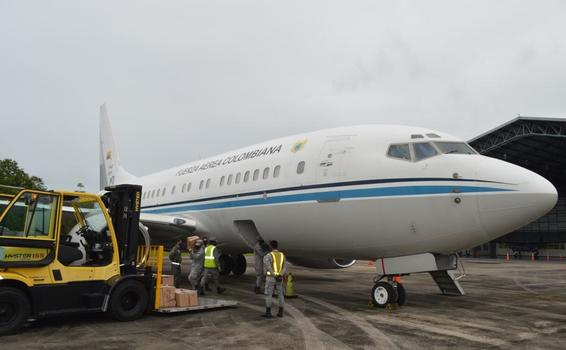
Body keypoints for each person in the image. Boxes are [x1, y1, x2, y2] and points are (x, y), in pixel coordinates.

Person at [263, 240, 287, 318]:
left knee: (269, 295)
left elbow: (268, 267)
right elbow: (284, 267)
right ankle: (280, 312)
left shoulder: (269, 255)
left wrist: (274, 275)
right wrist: (280, 275)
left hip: (271, 278)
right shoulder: (282, 255)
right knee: (280, 295)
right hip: (279, 278)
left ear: (271, 246)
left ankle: (268, 312)